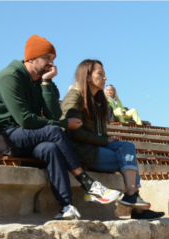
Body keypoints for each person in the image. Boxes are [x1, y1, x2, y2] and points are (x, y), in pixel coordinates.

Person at [0, 35, 123, 221]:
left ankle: (66, 206)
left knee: (50, 148)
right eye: (46, 58)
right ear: (31, 58)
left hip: (21, 136)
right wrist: (63, 124)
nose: (51, 63)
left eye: (53, 58)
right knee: (54, 131)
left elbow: (53, 115)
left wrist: (46, 84)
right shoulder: (10, 77)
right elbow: (26, 120)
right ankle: (88, 184)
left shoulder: (42, 80)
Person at [60, 60, 160, 218]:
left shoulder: (99, 100)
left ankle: (132, 196)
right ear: (87, 76)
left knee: (128, 147)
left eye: (104, 74)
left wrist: (107, 138)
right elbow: (75, 133)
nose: (105, 78)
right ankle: (136, 205)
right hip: (81, 149)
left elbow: (97, 132)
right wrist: (105, 141)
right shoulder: (75, 97)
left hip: (96, 145)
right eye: (100, 74)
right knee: (128, 159)